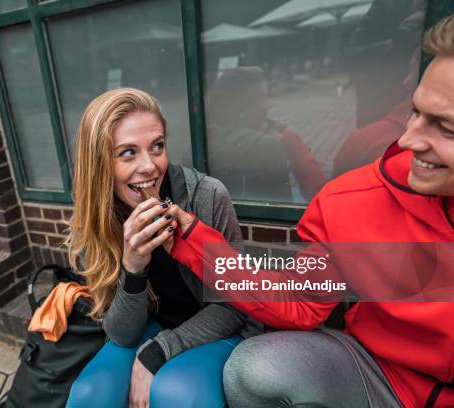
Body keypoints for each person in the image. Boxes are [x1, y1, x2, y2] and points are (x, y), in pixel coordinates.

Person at [168, 14, 454, 408]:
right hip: (388, 381)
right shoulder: (354, 200)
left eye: (446, 128)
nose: (407, 139)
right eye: (414, 111)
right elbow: (296, 300)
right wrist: (191, 239)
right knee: (256, 368)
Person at [64, 88, 261, 407]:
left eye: (157, 147)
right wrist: (133, 267)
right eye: (127, 152)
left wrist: (158, 352)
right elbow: (121, 333)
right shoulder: (99, 215)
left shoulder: (207, 197)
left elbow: (235, 304)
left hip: (219, 328)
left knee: (177, 393)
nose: (149, 167)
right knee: (89, 395)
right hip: (149, 326)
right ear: (99, 163)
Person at [207, 66, 325, 202]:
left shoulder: (203, 140)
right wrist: (291, 140)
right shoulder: (268, 147)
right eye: (264, 98)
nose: (270, 105)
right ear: (242, 108)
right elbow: (314, 193)